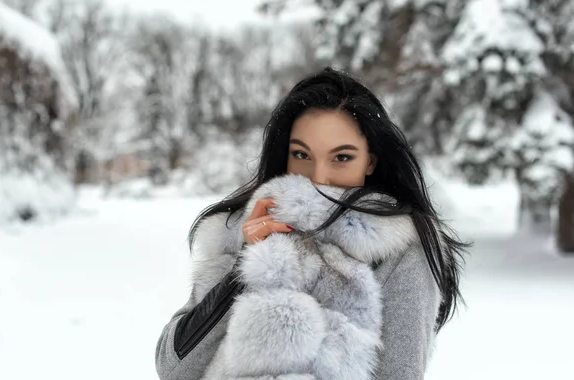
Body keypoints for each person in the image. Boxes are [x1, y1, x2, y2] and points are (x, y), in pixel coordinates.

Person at [155, 67, 468, 380]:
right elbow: (173, 368)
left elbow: (399, 373)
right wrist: (246, 268)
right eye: (302, 155)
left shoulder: (399, 248)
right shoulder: (245, 226)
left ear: (370, 160)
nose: (319, 177)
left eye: (341, 157)